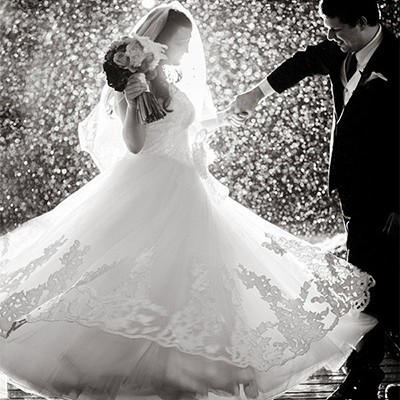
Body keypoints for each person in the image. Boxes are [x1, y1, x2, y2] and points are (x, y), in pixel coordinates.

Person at [0, 2, 377, 400]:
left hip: (187, 186)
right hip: (153, 187)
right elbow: (135, 145)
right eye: (181, 42)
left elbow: (180, 127)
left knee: (187, 282)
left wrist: (224, 118)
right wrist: (132, 102)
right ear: (159, 44)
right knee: (140, 278)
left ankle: (178, 375)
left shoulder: (168, 81)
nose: (187, 49)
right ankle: (127, 371)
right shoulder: (134, 86)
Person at [230, 0, 399, 398]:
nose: (329, 35)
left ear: (362, 23)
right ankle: (365, 376)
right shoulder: (340, 51)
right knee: (369, 279)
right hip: (353, 187)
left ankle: (362, 378)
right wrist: (256, 94)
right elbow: (301, 63)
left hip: (388, 194)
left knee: (372, 281)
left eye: (336, 28)